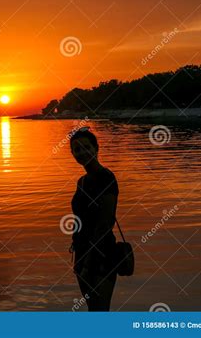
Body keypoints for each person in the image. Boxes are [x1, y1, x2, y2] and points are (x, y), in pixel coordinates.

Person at [69, 126, 118, 311]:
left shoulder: (106, 177)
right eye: (77, 149)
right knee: (92, 310)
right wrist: (79, 259)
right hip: (82, 252)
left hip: (102, 253)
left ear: (96, 148)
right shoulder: (81, 181)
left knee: (100, 311)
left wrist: (88, 263)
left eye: (86, 147)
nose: (82, 152)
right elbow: (78, 219)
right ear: (72, 153)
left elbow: (105, 223)